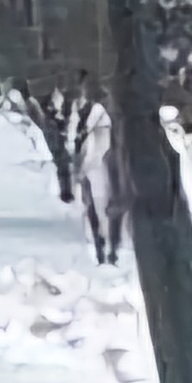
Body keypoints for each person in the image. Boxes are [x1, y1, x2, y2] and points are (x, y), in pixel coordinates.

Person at [79, 103, 127, 266]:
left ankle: (107, 250)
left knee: (103, 212)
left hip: (99, 172)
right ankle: (107, 250)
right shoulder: (101, 119)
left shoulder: (97, 119)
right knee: (106, 212)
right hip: (99, 173)